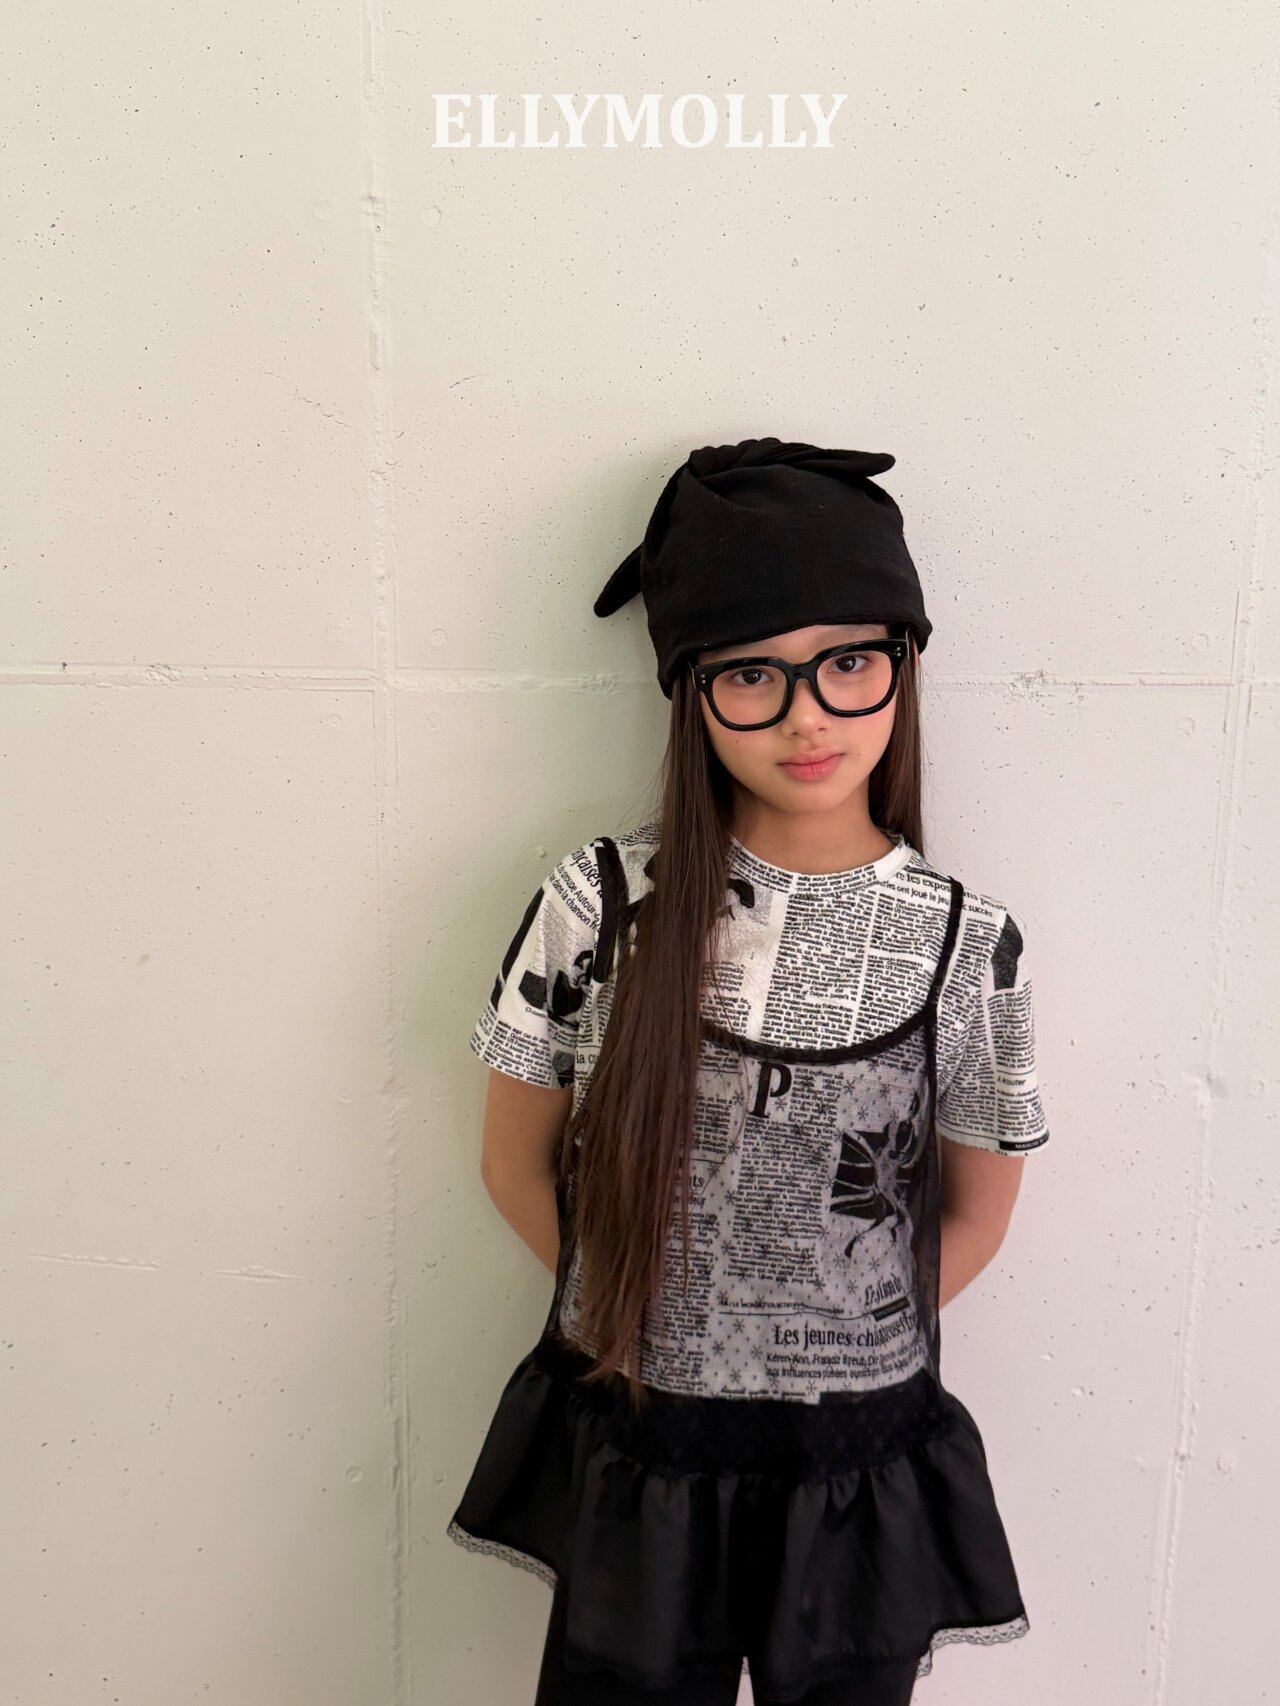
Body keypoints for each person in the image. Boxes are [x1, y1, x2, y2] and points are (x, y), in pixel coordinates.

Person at [446, 438, 1051, 1705]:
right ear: (690, 691)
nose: (805, 716)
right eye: (750, 675)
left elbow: (977, 1209)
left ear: (902, 661)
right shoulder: (600, 903)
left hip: (854, 1472)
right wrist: (644, 1315)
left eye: (846, 662)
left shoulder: (964, 940)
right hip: (645, 1457)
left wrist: (832, 1336)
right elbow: (513, 1159)